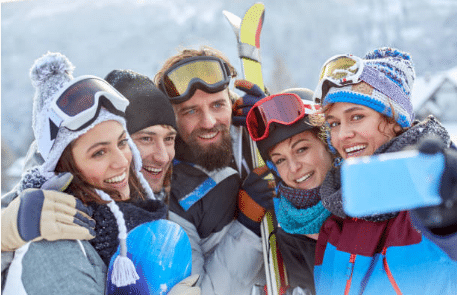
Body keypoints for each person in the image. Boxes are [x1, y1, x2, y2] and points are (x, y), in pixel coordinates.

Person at [1, 52, 199, 295]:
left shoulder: (130, 214)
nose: (121, 162)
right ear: (64, 167)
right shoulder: (55, 241)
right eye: (99, 153)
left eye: (122, 142)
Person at [313, 47, 457, 294]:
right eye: (334, 123)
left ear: (395, 120)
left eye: (356, 116)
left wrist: (449, 226)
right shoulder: (335, 216)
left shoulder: (434, 196)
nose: (342, 135)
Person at [154, 46, 276, 294]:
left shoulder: (252, 134)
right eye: (191, 111)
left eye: (218, 105)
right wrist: (247, 226)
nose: (209, 122)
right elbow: (204, 291)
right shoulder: (170, 194)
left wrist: (280, 126)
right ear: (171, 120)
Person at [245, 89, 334, 295]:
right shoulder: (290, 230)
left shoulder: (364, 205)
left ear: (328, 143)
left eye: (301, 149)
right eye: (280, 160)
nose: (293, 168)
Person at [104, 69, 178, 204]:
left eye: (168, 139)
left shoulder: (178, 198)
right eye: (146, 139)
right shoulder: (77, 216)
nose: (163, 158)